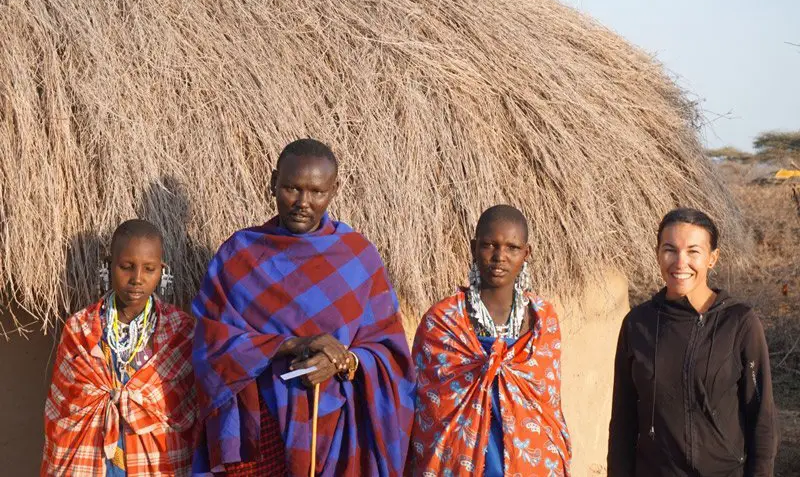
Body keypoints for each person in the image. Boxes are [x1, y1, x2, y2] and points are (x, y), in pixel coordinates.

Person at [192, 138, 414, 476]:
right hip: (257, 427)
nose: (302, 203)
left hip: (337, 427)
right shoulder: (239, 255)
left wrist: (343, 360)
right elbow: (211, 343)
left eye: (316, 192)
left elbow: (389, 353)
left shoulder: (357, 258)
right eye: (292, 189)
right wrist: (294, 344)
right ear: (272, 183)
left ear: (334, 190)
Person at [607, 208, 778, 477]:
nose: (680, 262)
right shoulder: (638, 324)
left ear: (712, 258)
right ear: (657, 254)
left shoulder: (738, 323)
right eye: (670, 249)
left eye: (693, 251)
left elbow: (761, 418)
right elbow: (623, 420)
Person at [408, 205, 572, 477]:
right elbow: (426, 410)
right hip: (459, 463)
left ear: (526, 254)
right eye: (489, 246)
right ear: (473, 248)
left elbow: (547, 407)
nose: (500, 257)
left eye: (512, 248)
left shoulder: (543, 320)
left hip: (531, 462)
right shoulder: (442, 321)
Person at [42, 219, 196, 476]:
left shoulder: (180, 331)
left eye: (149, 269)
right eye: (126, 267)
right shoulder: (80, 328)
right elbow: (63, 408)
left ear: (162, 271)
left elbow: (190, 407)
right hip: (90, 457)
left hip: (158, 460)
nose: (137, 279)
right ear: (108, 266)